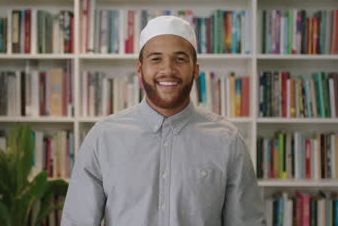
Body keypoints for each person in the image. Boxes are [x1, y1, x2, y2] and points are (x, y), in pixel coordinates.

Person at [61, 15, 265, 226]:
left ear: (196, 69)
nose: (168, 70)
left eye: (180, 59)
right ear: (140, 69)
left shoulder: (227, 140)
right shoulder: (103, 138)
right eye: (156, 59)